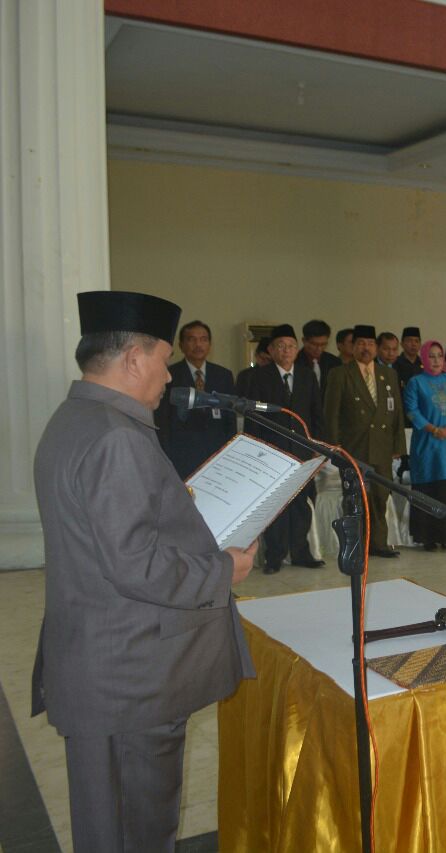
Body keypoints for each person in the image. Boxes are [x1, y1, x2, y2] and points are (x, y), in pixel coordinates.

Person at [33, 290, 255, 851]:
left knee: (107, 826)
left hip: (98, 660)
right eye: (161, 359)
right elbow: (135, 563)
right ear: (133, 358)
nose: (166, 374)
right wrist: (223, 569)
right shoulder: (117, 437)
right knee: (140, 828)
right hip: (132, 676)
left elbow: (108, 534)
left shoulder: (73, 419)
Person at [237, 323, 326, 572]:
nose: (286, 351)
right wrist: (254, 449)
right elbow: (252, 417)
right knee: (274, 505)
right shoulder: (258, 377)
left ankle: (301, 552)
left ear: (297, 350)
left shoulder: (307, 376)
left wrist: (318, 444)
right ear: (272, 350)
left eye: (290, 346)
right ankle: (274, 556)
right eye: (280, 346)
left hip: (302, 451)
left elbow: (316, 412)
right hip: (271, 452)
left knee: (300, 503)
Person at [324, 324, 406, 558]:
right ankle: (357, 545)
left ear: (376, 347)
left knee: (381, 496)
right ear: (352, 347)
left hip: (382, 447)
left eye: (370, 344)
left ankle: (378, 543)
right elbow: (331, 415)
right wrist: (334, 448)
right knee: (357, 498)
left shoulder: (388, 374)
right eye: (360, 343)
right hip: (353, 448)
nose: (365, 348)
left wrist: (398, 445)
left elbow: (397, 412)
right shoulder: (340, 374)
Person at [404, 341, 446, 549]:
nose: (435, 360)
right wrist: (434, 429)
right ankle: (429, 537)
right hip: (428, 445)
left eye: (439, 356)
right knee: (429, 488)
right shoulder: (415, 383)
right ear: (424, 358)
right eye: (431, 356)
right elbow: (412, 411)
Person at [156, 320, 237, 479]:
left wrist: (230, 453)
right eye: (191, 339)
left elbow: (230, 419)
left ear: (210, 344)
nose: (198, 344)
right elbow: (162, 421)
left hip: (217, 456)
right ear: (180, 345)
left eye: (203, 339)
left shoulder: (223, 375)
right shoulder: (169, 375)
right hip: (182, 457)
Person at [299, 319, 342, 393]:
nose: (319, 348)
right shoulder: (294, 362)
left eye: (323, 344)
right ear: (304, 341)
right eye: (314, 344)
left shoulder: (335, 362)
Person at [393, 325, 425, 392]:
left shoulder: (424, 364)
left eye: (416, 341)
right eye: (409, 341)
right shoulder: (395, 363)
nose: (413, 344)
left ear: (420, 345)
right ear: (402, 344)